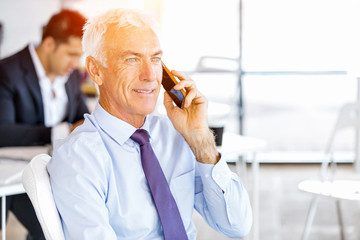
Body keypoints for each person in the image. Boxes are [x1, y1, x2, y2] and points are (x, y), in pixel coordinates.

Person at [47, 8, 252, 240]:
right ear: (95, 70)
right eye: (131, 59)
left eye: (155, 59)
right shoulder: (79, 158)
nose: (149, 75)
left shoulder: (175, 135)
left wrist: (200, 139)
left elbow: (237, 225)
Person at [0, 9, 89, 240]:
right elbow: (2, 131)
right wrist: (59, 132)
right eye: (71, 54)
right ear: (49, 44)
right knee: (50, 229)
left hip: (63, 172)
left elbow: (84, 120)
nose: (76, 63)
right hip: (17, 175)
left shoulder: (70, 75)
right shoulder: (7, 71)